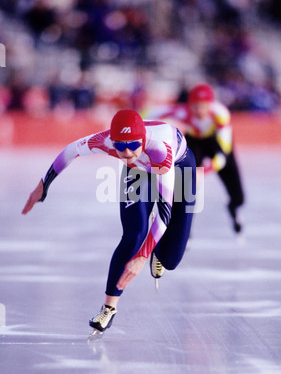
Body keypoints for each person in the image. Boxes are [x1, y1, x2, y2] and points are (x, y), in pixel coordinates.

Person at [22, 110, 196, 334]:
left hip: (180, 168)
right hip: (139, 171)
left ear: (143, 140)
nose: (126, 152)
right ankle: (108, 308)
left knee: (171, 259)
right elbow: (70, 151)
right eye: (120, 146)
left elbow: (164, 210)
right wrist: (43, 185)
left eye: (133, 145)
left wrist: (143, 257)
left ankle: (158, 252)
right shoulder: (104, 142)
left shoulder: (160, 149)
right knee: (134, 235)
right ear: (111, 141)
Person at [147, 83, 245, 234]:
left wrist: (202, 172)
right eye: (195, 106)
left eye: (203, 106)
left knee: (237, 189)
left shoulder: (220, 114)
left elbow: (223, 156)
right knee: (185, 187)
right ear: (189, 105)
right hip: (194, 143)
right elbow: (147, 113)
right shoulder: (180, 112)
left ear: (210, 104)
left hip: (216, 143)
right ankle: (183, 228)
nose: (199, 110)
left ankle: (235, 206)